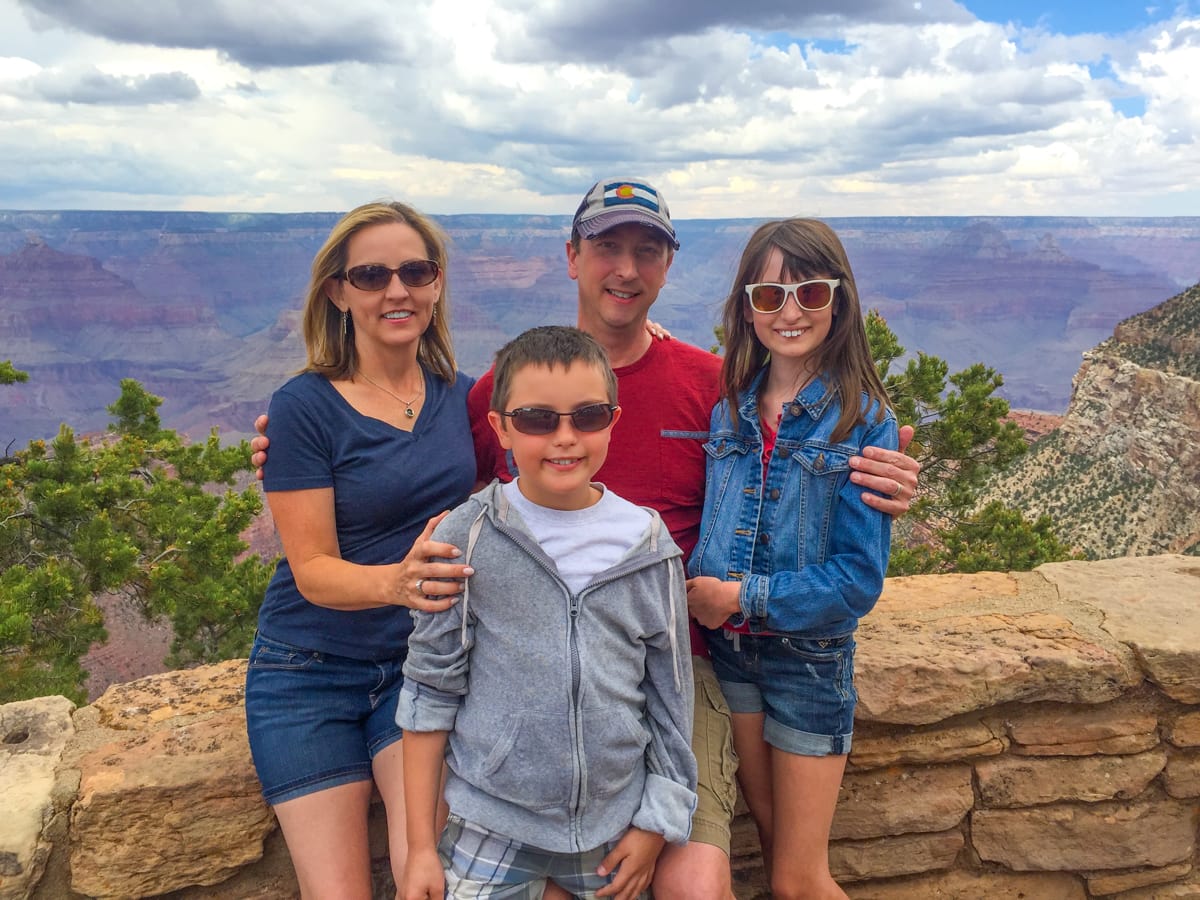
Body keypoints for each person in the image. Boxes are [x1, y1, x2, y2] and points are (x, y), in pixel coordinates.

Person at [252, 178, 921, 897]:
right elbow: (447, 487)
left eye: (646, 251)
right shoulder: (499, 392)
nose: (625, 270)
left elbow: (782, 457)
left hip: (678, 661)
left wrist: (877, 475)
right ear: (572, 256)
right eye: (606, 248)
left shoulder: (714, 387)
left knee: (695, 886)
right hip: (521, 659)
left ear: (669, 267)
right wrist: (292, 444)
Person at [399, 324, 697, 900]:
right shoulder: (468, 535)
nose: (565, 438)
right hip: (490, 822)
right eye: (538, 419)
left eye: (587, 416)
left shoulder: (647, 543)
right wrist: (418, 849)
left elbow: (670, 694)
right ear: (501, 427)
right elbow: (430, 690)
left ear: (613, 419)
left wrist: (657, 823)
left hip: (613, 828)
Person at [246, 200, 477, 898]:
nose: (397, 290)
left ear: (437, 284)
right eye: (372, 275)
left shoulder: (467, 399)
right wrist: (397, 585)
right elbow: (311, 570)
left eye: (416, 271)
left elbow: (556, 426)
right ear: (339, 292)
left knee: (426, 876)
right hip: (304, 672)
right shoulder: (304, 408)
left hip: (418, 667)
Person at [686, 219, 897, 899]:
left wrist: (738, 598)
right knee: (777, 850)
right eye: (769, 295)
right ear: (746, 307)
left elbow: (857, 581)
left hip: (809, 662)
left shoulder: (863, 420)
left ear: (839, 300)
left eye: (809, 292)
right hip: (734, 662)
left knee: (801, 879)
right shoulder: (731, 410)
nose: (790, 312)